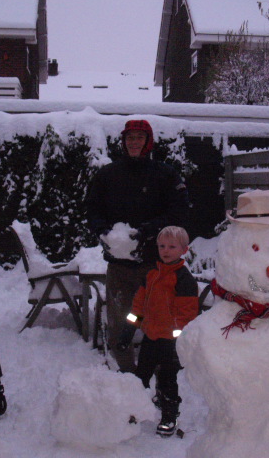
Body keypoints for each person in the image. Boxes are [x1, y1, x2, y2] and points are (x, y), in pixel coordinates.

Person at [85, 119, 190, 372]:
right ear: (124, 141)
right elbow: (92, 207)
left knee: (157, 319)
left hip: (155, 265)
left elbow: (179, 211)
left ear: (148, 141)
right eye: (130, 138)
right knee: (121, 321)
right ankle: (125, 372)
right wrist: (103, 231)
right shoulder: (107, 175)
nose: (134, 142)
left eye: (139, 138)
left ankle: (159, 368)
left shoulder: (165, 174)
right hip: (119, 266)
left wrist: (148, 230)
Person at [117, 226, 199, 436]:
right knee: (140, 376)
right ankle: (134, 410)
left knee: (167, 379)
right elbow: (139, 306)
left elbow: (186, 315)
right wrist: (129, 330)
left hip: (169, 342)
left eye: (172, 246)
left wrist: (178, 341)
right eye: (162, 246)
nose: (166, 250)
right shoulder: (151, 275)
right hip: (151, 337)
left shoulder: (184, 280)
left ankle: (169, 415)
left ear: (184, 250)